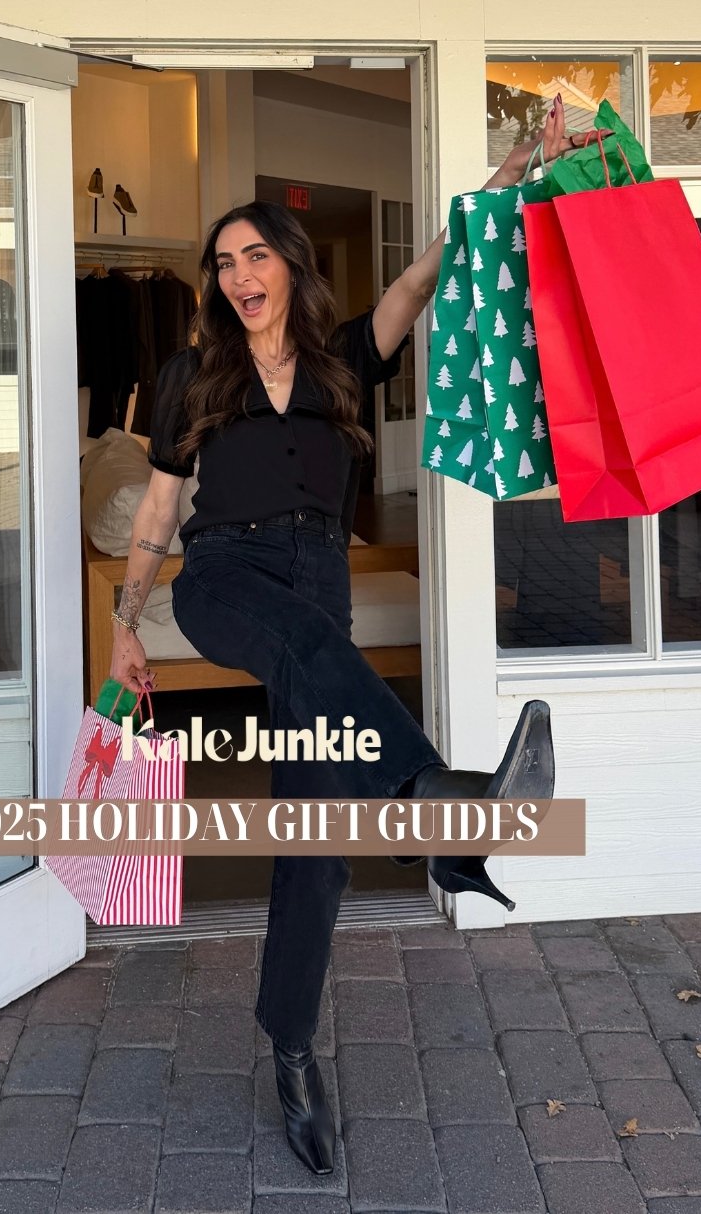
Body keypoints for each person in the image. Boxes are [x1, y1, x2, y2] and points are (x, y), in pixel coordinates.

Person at [109, 97, 585, 1175]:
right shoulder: (193, 374)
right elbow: (152, 517)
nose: (238, 273)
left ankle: (290, 1052)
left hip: (317, 577)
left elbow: (420, 281)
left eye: (254, 252)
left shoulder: (341, 361)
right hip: (224, 576)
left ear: (287, 262)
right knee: (302, 649)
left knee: (315, 835)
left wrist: (508, 171)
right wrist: (120, 628)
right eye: (222, 260)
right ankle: (443, 805)